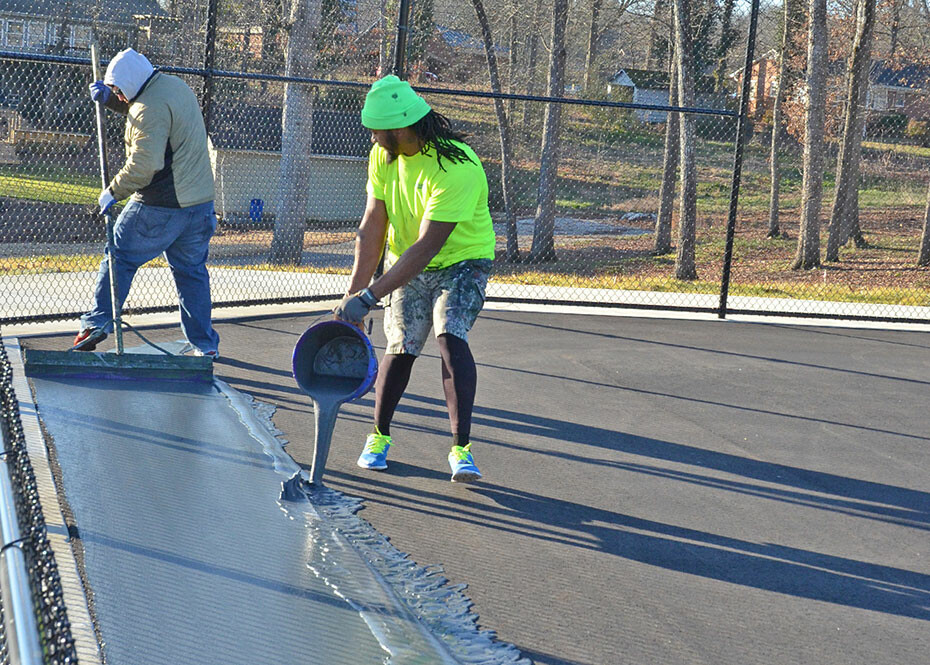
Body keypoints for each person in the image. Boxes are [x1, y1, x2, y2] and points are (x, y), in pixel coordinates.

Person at [334, 75, 495, 483]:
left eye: (376, 129)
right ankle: (378, 438)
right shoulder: (383, 157)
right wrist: (353, 295)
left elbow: (427, 247)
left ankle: (462, 450)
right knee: (401, 343)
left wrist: (370, 296)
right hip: (406, 258)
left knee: (448, 333)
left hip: (462, 261)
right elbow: (373, 226)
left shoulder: (456, 165)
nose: (371, 137)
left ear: (400, 126)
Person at [73, 48, 220, 357]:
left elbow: (144, 165)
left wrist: (112, 192)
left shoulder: (146, 108)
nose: (118, 94)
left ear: (128, 82)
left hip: (161, 206)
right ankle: (204, 346)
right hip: (200, 205)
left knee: (119, 257)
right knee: (191, 273)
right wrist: (110, 100)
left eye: (117, 89)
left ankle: (97, 323)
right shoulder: (174, 87)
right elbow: (153, 118)